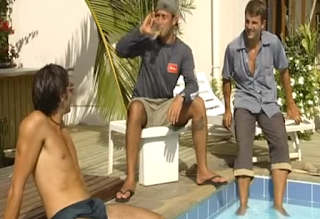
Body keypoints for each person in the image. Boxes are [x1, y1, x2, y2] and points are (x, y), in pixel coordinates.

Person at [3, 64, 164, 219]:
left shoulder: (61, 127)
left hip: (92, 207)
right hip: (69, 214)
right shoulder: (36, 122)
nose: (73, 94)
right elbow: (16, 188)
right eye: (70, 88)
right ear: (61, 94)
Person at [114, 0, 228, 202]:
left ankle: (202, 170)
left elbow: (192, 84)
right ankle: (130, 179)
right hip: (144, 105)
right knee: (136, 107)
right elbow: (120, 50)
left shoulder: (183, 51)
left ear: (175, 20)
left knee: (198, 104)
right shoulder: (147, 42)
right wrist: (140, 31)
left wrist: (181, 96)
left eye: (163, 17)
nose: (159, 21)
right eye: (156, 16)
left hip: (167, 107)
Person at [222, 0, 302, 216]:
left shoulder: (273, 43)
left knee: (280, 145)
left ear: (263, 24)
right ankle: (243, 205)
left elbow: (284, 71)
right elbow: (226, 79)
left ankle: (278, 205)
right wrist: (228, 109)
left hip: (268, 102)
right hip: (245, 103)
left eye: (254, 22)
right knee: (244, 148)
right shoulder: (232, 48)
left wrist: (291, 103)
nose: (249, 26)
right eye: (247, 21)